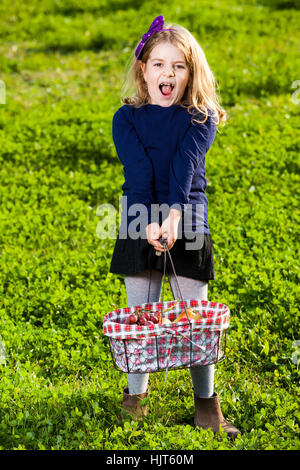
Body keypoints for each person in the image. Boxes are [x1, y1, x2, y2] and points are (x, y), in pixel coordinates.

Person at [109, 15, 241, 439]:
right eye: (159, 65)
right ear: (143, 70)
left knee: (196, 319)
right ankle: (135, 400)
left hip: (188, 219)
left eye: (179, 66)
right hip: (137, 220)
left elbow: (185, 167)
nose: (168, 74)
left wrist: (171, 219)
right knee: (139, 319)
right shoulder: (125, 118)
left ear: (190, 74)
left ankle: (207, 406)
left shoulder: (201, 117)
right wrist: (148, 221)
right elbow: (139, 169)